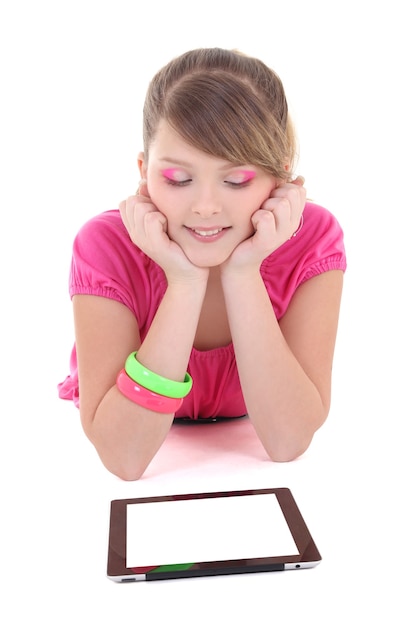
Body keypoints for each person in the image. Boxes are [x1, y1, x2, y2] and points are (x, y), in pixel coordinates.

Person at [58, 47, 346, 480]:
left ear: (281, 179)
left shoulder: (313, 238)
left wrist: (244, 271)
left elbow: (287, 442)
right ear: (144, 170)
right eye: (178, 179)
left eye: (236, 180)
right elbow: (124, 458)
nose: (206, 207)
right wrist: (184, 283)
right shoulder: (105, 245)